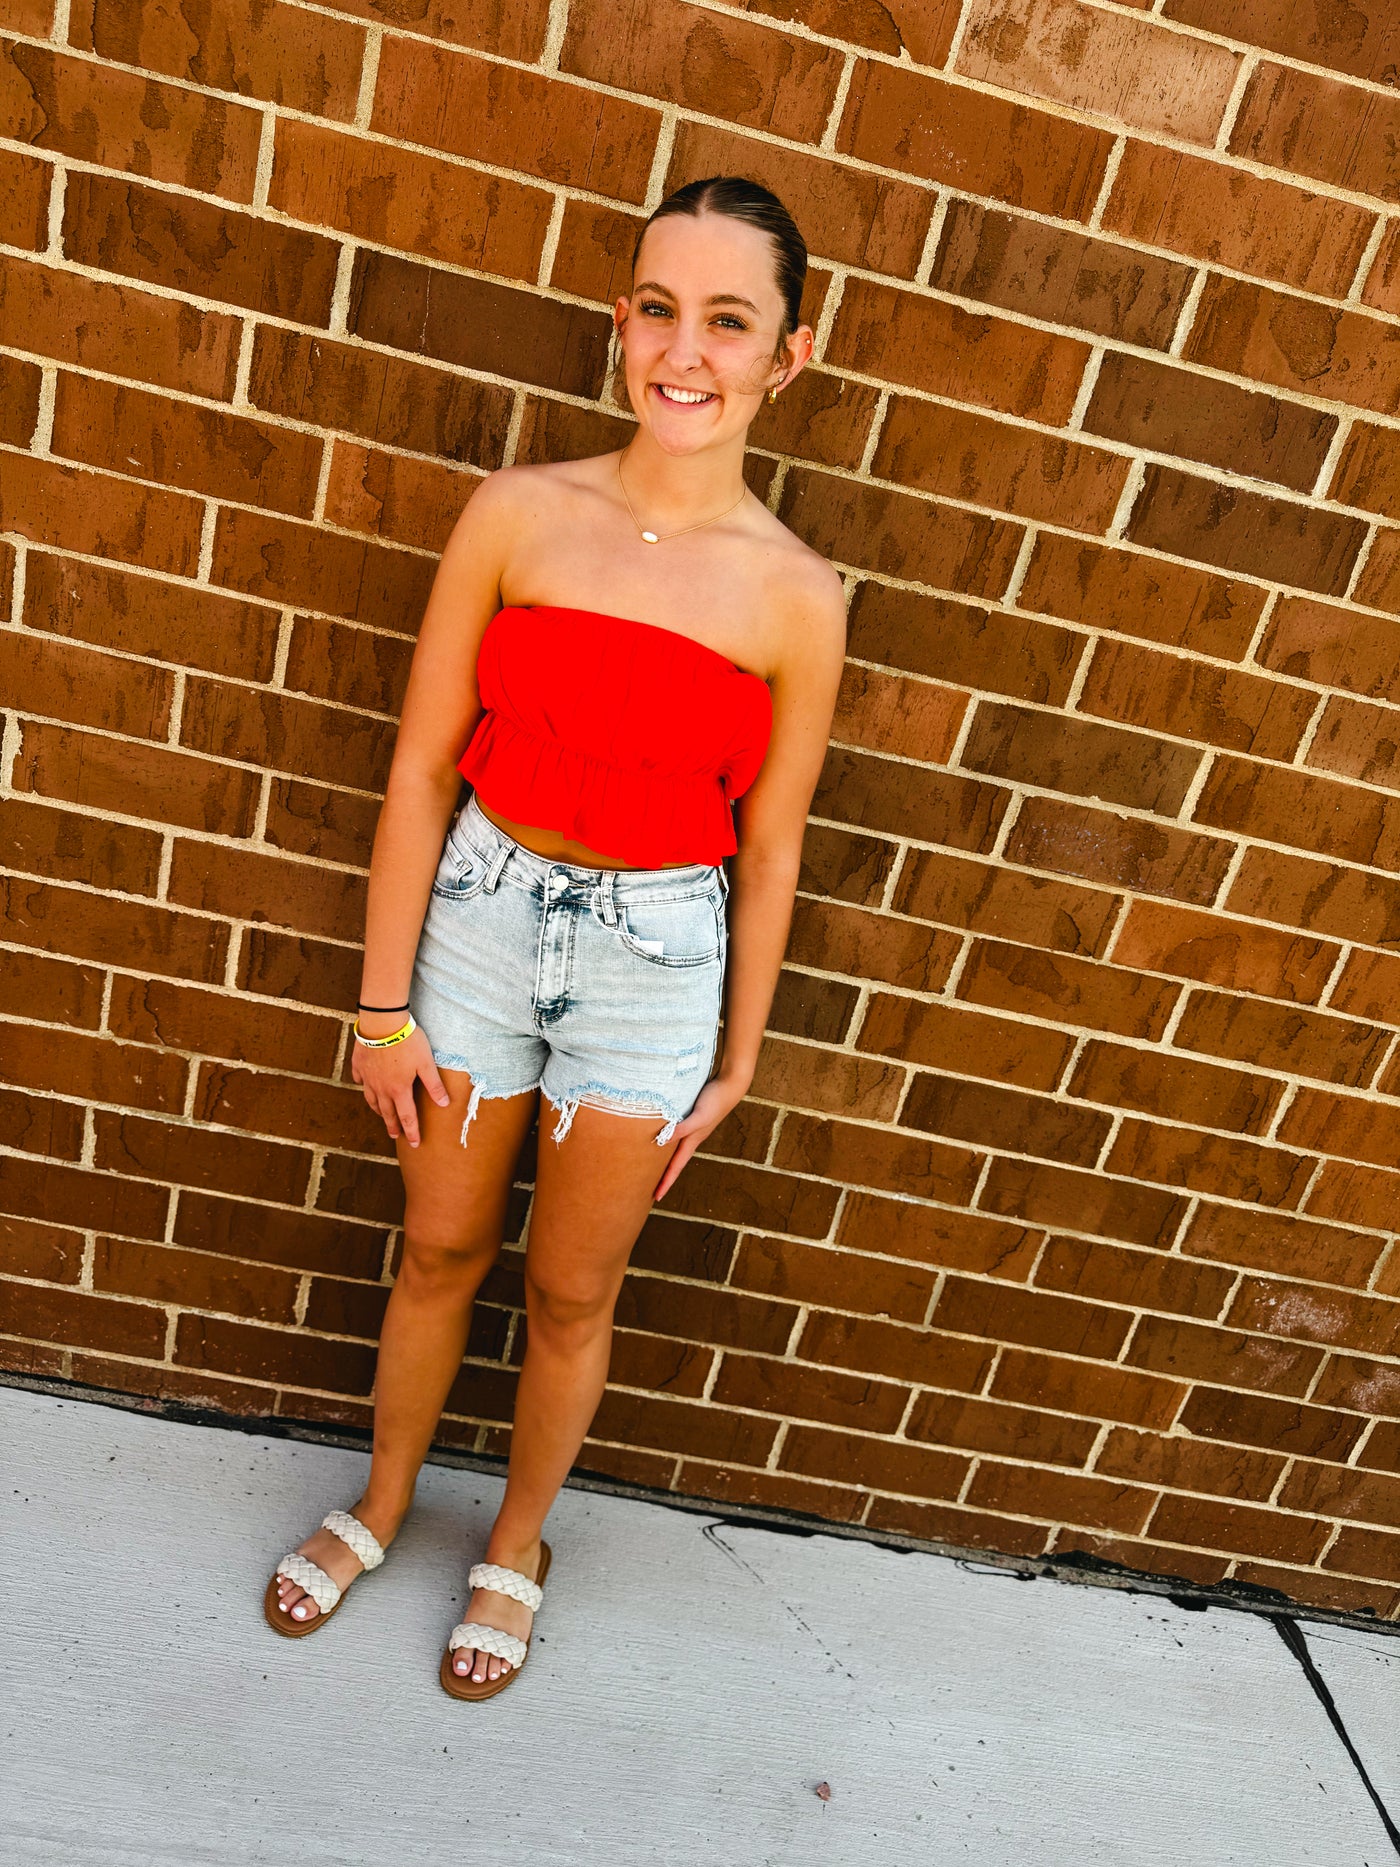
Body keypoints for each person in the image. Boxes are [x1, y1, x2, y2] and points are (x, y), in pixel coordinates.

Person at [261, 175, 847, 1698]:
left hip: (657, 966)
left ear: (790, 355)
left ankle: (517, 1543)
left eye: (731, 319)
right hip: (479, 915)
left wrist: (739, 1059)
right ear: (621, 323)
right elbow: (413, 768)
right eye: (660, 307)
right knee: (442, 1242)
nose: (687, 350)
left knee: (573, 1290)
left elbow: (772, 843)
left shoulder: (797, 596)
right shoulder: (519, 512)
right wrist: (381, 1006)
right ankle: (384, 1505)